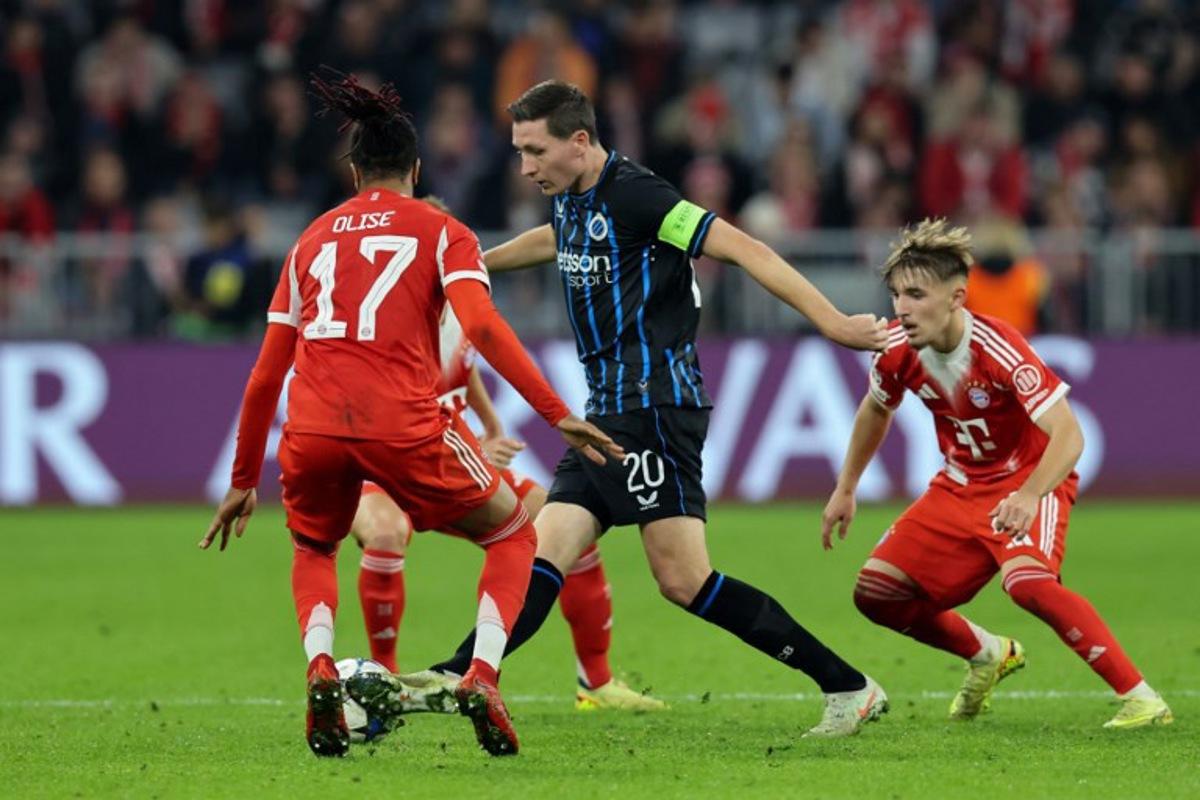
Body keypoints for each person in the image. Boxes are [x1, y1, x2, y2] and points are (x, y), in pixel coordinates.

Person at [402, 80, 891, 739]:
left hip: (658, 409)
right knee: (545, 549)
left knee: (684, 580)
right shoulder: (571, 196)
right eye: (518, 152)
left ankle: (848, 685)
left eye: (535, 150)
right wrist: (469, 270)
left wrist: (832, 323)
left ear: (580, 141)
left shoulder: (638, 194)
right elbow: (554, 241)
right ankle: (454, 677)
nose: (525, 167)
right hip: (608, 414)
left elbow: (742, 247)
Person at [200, 73, 621, 758]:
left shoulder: (308, 242)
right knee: (516, 533)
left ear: (354, 171)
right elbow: (481, 328)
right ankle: (482, 673)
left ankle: (320, 666)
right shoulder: (443, 231)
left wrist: (243, 479)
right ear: (415, 169)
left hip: (311, 426)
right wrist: (555, 413)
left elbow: (264, 376)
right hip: (401, 421)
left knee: (314, 548)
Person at [820, 218, 1172, 730]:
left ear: (957, 297)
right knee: (877, 593)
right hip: (960, 485)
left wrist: (1030, 496)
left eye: (916, 294)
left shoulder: (998, 348)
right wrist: (846, 487)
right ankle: (987, 652)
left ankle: (1142, 698)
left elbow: (1069, 436)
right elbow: (877, 408)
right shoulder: (896, 348)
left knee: (1027, 584)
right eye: (896, 294)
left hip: (1030, 479)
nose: (901, 307)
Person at [350, 257, 665, 711]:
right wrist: (474, 444)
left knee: (564, 521)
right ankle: (384, 681)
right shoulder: (380, 323)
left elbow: (464, 368)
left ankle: (595, 681)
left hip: (456, 458)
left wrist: (492, 427)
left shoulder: (459, 314)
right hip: (388, 463)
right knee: (384, 535)